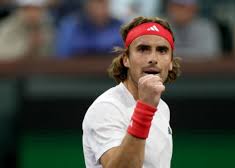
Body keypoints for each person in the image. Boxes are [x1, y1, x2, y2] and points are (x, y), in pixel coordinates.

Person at [82, 16, 181, 168]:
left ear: (170, 64)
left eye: (162, 50)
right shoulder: (106, 108)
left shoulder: (162, 107)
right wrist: (145, 109)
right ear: (126, 59)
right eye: (143, 49)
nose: (153, 58)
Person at [55, 0, 123, 58]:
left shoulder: (118, 26)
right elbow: (63, 54)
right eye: (96, 3)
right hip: (76, 71)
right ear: (87, 5)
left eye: (103, 3)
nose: (100, 9)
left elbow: (124, 52)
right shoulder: (71, 25)